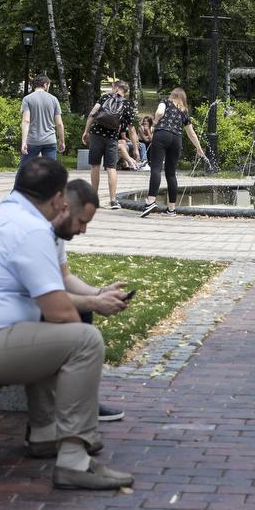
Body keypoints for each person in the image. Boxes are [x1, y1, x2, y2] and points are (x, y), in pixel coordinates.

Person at [0, 158, 134, 490]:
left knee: (59, 334)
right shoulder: (30, 230)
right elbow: (61, 312)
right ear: (58, 198)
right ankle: (74, 463)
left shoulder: (7, 216)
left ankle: (46, 435)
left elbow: (55, 302)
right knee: (84, 340)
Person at [54, 179, 133, 423]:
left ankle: (82, 403)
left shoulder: (54, 234)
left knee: (82, 312)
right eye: (82, 222)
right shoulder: (37, 234)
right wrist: (94, 303)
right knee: (86, 337)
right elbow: (44, 300)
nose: (84, 230)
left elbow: (65, 276)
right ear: (65, 208)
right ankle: (77, 422)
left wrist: (98, 293)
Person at [139, 88, 207, 218]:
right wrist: (199, 148)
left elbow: (159, 112)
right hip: (177, 139)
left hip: (162, 134)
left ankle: (151, 201)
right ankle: (171, 209)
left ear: (173, 95)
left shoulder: (165, 102)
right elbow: (191, 133)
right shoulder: (184, 111)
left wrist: (156, 121)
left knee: (156, 169)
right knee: (171, 174)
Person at [83, 80, 138, 209]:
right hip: (112, 138)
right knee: (111, 168)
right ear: (125, 91)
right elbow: (132, 129)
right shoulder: (127, 104)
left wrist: (86, 131)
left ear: (116, 87)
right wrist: (135, 148)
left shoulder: (105, 97)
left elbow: (92, 114)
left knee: (95, 166)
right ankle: (113, 200)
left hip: (96, 135)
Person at [20, 74, 66, 167]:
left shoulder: (27, 99)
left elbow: (26, 121)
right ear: (45, 85)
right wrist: (62, 141)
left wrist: (24, 142)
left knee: (24, 170)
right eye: (49, 85)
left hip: (32, 141)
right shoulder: (54, 100)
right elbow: (59, 124)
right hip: (50, 140)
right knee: (50, 171)